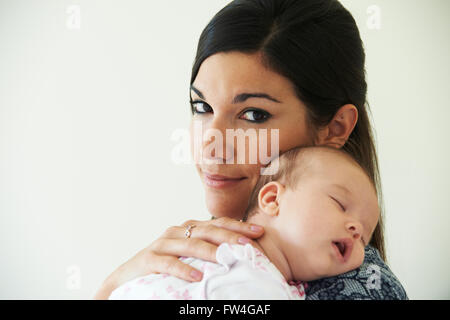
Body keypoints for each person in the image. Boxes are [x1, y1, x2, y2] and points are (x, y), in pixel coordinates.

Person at [94, 0, 407, 300]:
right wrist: (113, 285)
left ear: (335, 128)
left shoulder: (363, 289)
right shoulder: (185, 261)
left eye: (254, 115)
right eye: (201, 107)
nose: (211, 145)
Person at [108, 146, 379, 300]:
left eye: (365, 236)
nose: (355, 230)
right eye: (339, 204)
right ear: (272, 199)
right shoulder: (245, 269)